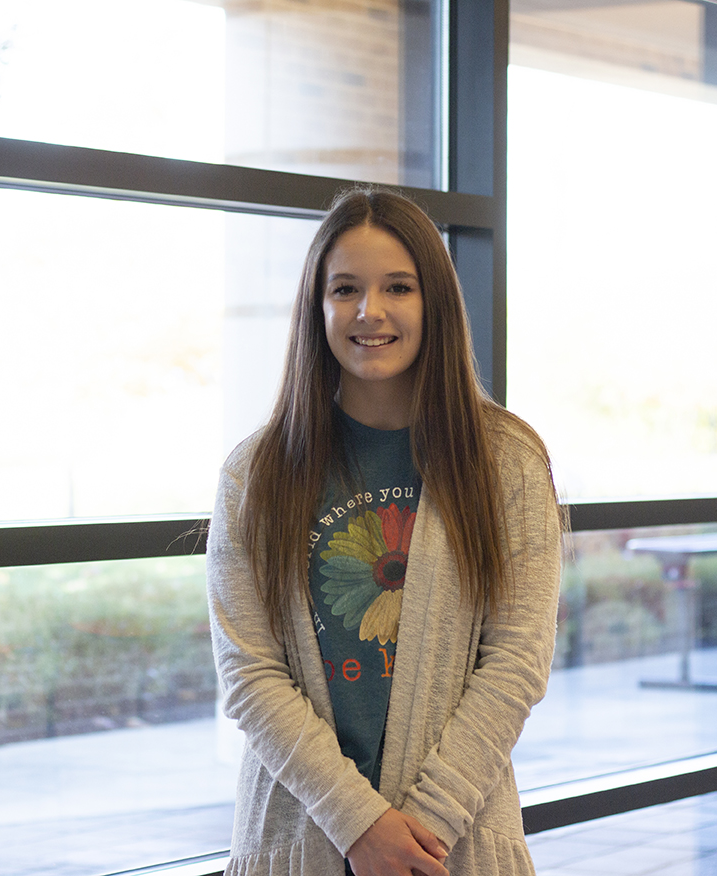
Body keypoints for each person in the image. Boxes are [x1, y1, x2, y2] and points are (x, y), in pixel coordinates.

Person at [206, 187, 562, 876]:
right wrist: (359, 824)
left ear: (434, 303)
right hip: (297, 840)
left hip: (454, 846)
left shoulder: (506, 461)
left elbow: (516, 660)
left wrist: (419, 831)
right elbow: (249, 674)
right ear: (317, 307)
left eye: (397, 287)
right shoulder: (255, 473)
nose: (370, 311)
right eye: (345, 289)